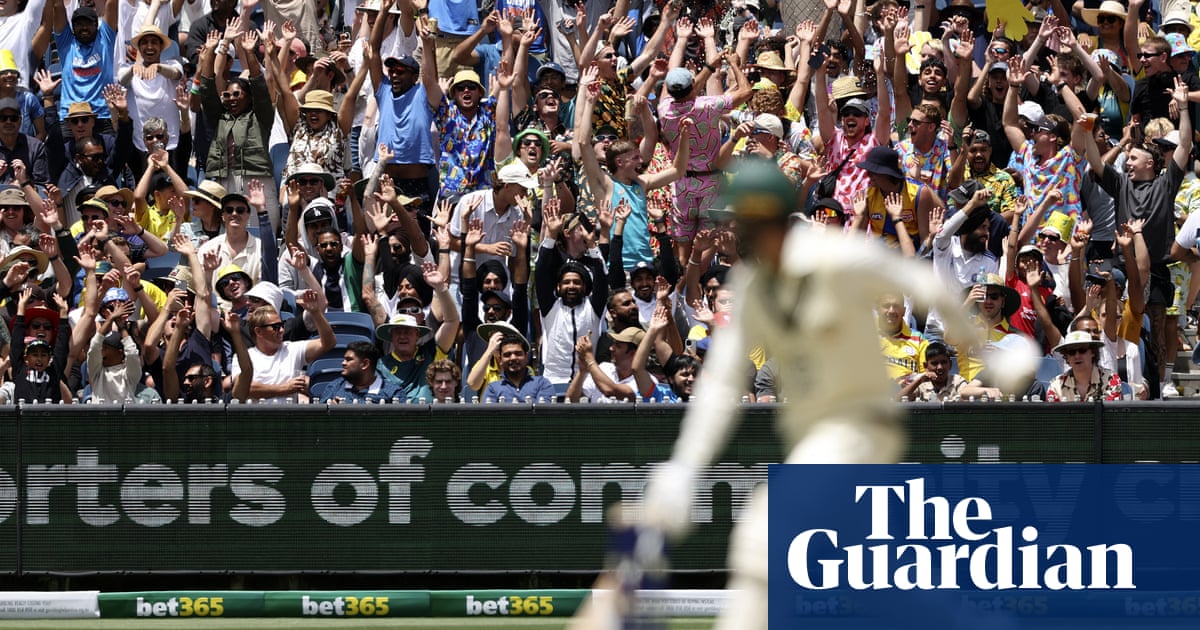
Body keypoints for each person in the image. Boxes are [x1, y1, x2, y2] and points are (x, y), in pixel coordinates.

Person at [641, 159, 991, 630]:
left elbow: (921, 282)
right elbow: (721, 386)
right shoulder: (755, 290)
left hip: (862, 427)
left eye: (746, 222)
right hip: (815, 435)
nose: (738, 233)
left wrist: (981, 342)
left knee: (763, 532)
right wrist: (684, 469)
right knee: (869, 578)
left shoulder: (836, 257)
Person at [232, 290, 336, 403]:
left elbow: (328, 343)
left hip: (289, 418)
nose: (282, 330)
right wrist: (285, 388)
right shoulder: (244, 357)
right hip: (257, 418)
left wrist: (316, 313)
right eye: (275, 327)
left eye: (281, 325)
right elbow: (244, 389)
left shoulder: (292, 349)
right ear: (259, 331)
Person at [1046, 330, 1124, 402]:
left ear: (1093, 352)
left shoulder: (1111, 380)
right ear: (1067, 357)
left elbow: (1111, 414)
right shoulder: (1056, 385)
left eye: (1082, 350)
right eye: (1071, 352)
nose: (1077, 356)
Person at [318, 341, 406, 403]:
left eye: (349, 360)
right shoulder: (334, 387)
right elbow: (318, 421)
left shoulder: (393, 393)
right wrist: (329, 412)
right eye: (344, 359)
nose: (343, 363)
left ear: (365, 364)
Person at [482, 334, 554, 402]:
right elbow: (489, 414)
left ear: (526, 356)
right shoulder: (493, 389)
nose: (513, 358)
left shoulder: (542, 384)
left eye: (518, 353)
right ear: (500, 359)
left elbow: (544, 413)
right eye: (507, 355)